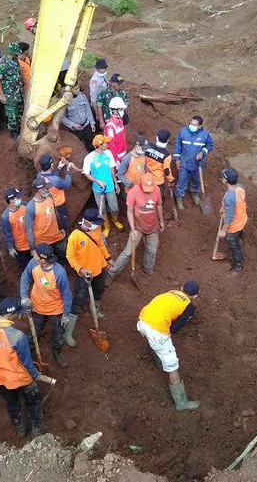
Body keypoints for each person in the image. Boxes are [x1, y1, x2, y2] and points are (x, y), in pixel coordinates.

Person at [0, 297, 51, 437]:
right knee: (34, 399)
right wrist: (36, 375)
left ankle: (20, 428)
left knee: (12, 403)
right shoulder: (19, 337)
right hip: (21, 377)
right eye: (17, 313)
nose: (18, 316)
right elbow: (26, 363)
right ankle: (37, 428)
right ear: (10, 315)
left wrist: (1, 358)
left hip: (1, 378)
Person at [137, 280, 201, 411]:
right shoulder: (189, 307)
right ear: (195, 296)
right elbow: (174, 328)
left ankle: (158, 358)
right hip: (156, 332)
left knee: (154, 340)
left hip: (141, 321)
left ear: (181, 288)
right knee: (172, 366)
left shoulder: (171, 292)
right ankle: (182, 403)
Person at [64, 209, 112, 347]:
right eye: (95, 223)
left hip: (99, 268)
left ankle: (95, 311)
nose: (98, 225)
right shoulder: (75, 236)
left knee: (99, 290)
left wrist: (108, 258)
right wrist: (80, 270)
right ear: (87, 222)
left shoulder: (96, 229)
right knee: (79, 300)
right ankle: (68, 333)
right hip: (85, 274)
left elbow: (100, 244)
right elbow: (70, 256)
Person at [19, 244, 71, 368]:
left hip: (55, 309)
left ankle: (57, 351)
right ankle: (29, 351)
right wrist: (24, 297)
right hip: (37, 307)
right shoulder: (33, 263)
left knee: (58, 333)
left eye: (36, 255)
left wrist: (66, 314)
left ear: (43, 260)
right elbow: (25, 276)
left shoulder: (59, 273)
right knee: (34, 331)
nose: (34, 256)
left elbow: (66, 294)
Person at [109, 173, 164, 278]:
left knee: (152, 251)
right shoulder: (133, 192)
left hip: (153, 226)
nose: (148, 191)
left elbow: (159, 205)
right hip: (138, 226)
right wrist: (133, 229)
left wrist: (161, 221)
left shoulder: (157, 189)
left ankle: (148, 269)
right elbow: (129, 211)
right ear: (141, 184)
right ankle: (112, 272)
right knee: (128, 252)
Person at [82, 135, 123, 236]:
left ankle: (116, 221)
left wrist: (115, 183)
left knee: (114, 207)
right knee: (102, 209)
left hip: (109, 186)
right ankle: (107, 226)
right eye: (105, 143)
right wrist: (97, 181)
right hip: (97, 189)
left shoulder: (108, 153)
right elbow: (87, 174)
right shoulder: (89, 158)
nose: (107, 144)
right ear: (100, 145)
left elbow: (112, 169)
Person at [173, 116, 214, 210]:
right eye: (191, 124)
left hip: (198, 163)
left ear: (200, 126)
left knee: (196, 180)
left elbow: (210, 145)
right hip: (184, 162)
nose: (191, 126)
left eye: (194, 125)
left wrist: (202, 152)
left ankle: (195, 193)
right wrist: (177, 159)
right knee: (181, 180)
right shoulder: (183, 132)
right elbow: (178, 146)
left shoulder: (205, 135)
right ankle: (179, 197)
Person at [25, 178, 67, 262]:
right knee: (48, 262)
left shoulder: (50, 197)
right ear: (40, 191)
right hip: (43, 242)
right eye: (46, 188)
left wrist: (61, 227)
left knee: (63, 256)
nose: (49, 190)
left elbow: (56, 213)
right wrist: (32, 248)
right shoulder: (30, 207)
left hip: (56, 236)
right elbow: (29, 229)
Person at [217, 167, 247, 274]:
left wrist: (223, 231)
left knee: (234, 247)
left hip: (234, 225)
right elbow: (237, 203)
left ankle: (237, 267)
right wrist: (224, 207)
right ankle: (240, 239)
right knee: (238, 235)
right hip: (242, 219)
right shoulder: (240, 187)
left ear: (225, 180)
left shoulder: (229, 197)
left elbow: (229, 217)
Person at [0, 43, 25, 138]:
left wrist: (24, 84)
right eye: (17, 53)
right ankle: (13, 131)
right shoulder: (2, 63)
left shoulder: (15, 60)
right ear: (13, 52)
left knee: (20, 111)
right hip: (9, 93)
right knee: (12, 113)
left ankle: (20, 128)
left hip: (18, 92)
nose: (18, 54)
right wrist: (2, 95)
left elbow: (19, 73)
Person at [36, 154, 72, 230]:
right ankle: (65, 233)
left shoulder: (39, 176)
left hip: (48, 204)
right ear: (51, 165)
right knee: (63, 222)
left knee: (55, 222)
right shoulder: (55, 180)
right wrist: (68, 171)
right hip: (59, 205)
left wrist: (59, 168)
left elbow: (51, 177)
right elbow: (67, 184)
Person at [0, 187, 31, 271]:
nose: (20, 199)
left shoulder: (25, 205)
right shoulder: (5, 216)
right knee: (26, 269)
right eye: (18, 197)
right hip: (21, 247)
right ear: (11, 200)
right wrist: (10, 248)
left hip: (33, 242)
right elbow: (7, 233)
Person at [144, 129, 174, 204]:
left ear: (157, 137)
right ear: (167, 140)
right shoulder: (166, 155)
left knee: (146, 198)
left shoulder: (148, 146)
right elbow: (166, 171)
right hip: (158, 182)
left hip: (146, 178)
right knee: (159, 201)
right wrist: (171, 181)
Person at [103, 96, 128, 164]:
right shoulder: (110, 127)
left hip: (123, 154)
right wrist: (114, 160)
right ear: (114, 111)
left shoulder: (120, 121)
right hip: (117, 158)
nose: (123, 111)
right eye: (121, 110)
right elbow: (111, 145)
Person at [89, 58, 110, 127]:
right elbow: (93, 98)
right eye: (101, 68)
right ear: (97, 68)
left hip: (105, 102)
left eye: (104, 68)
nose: (104, 70)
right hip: (98, 105)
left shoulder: (102, 75)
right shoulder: (95, 81)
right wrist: (97, 114)